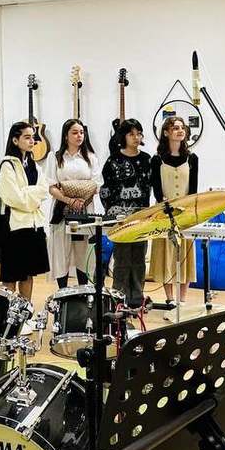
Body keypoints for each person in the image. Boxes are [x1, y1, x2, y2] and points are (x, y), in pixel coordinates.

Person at [148, 117, 198, 319]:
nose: (180, 131)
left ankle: (182, 299)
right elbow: (156, 188)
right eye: (175, 128)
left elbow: (193, 189)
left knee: (185, 252)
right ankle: (169, 298)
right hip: (164, 212)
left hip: (185, 213)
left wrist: (189, 209)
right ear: (166, 132)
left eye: (182, 127)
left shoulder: (192, 158)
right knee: (166, 253)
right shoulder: (157, 159)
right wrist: (164, 203)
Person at [0, 121, 50, 301]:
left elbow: (44, 190)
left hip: (34, 226)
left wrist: (27, 193)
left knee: (28, 275)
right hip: (14, 228)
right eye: (27, 137)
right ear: (15, 140)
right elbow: (14, 198)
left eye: (33, 137)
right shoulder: (7, 165)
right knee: (10, 276)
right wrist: (32, 196)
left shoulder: (35, 165)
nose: (32, 141)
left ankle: (24, 311)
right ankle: (7, 313)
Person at [100, 119, 152, 308]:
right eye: (131, 134)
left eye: (139, 133)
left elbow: (150, 187)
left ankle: (137, 300)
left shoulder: (147, 159)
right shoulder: (113, 160)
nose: (136, 137)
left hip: (141, 217)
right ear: (123, 136)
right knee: (122, 259)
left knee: (139, 259)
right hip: (120, 218)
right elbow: (105, 190)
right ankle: (118, 300)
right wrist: (112, 214)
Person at [45, 119, 102, 289]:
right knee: (61, 251)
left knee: (83, 251)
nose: (79, 136)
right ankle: (62, 292)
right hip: (61, 209)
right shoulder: (55, 157)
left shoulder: (91, 157)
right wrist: (69, 200)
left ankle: (83, 290)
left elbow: (97, 184)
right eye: (75, 132)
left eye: (82, 132)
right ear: (66, 136)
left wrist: (83, 199)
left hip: (85, 208)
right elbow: (51, 186)